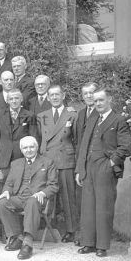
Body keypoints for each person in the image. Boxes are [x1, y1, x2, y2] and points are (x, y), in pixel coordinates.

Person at [76, 87, 131, 257]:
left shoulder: (118, 120)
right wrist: (80, 169)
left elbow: (125, 146)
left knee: (103, 207)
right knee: (88, 207)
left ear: (109, 100)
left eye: (101, 100)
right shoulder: (93, 118)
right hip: (88, 167)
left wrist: (111, 163)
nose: (97, 103)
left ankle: (102, 246)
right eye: (95, 100)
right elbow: (84, 144)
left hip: (105, 167)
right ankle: (88, 243)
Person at [0, 136, 58, 260]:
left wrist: (43, 193)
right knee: (1, 203)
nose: (28, 150)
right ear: (21, 149)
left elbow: (54, 185)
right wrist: (6, 191)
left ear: (37, 147)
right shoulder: (16, 163)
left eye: (31, 147)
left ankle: (28, 244)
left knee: (32, 201)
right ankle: (18, 237)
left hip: (37, 198)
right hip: (19, 197)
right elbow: (9, 183)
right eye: (25, 148)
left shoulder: (47, 162)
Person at [37, 84, 78, 244]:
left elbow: (76, 139)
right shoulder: (42, 115)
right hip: (48, 161)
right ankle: (48, 228)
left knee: (68, 198)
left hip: (65, 161)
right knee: (47, 196)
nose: (54, 97)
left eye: (57, 94)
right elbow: (42, 139)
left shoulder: (72, 114)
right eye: (51, 95)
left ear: (63, 95)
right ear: (47, 97)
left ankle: (71, 230)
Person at [73, 81, 98, 247]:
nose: (88, 96)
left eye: (91, 93)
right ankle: (84, 236)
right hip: (82, 164)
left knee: (96, 203)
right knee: (82, 202)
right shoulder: (81, 113)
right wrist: (78, 167)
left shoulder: (103, 112)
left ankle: (96, 239)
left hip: (97, 164)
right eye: (85, 93)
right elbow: (78, 141)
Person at [0, 89, 37, 174]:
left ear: (21, 99)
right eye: (11, 99)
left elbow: (33, 138)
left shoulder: (30, 115)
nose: (14, 101)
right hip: (4, 158)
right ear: (7, 101)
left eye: (16, 98)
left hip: (22, 156)